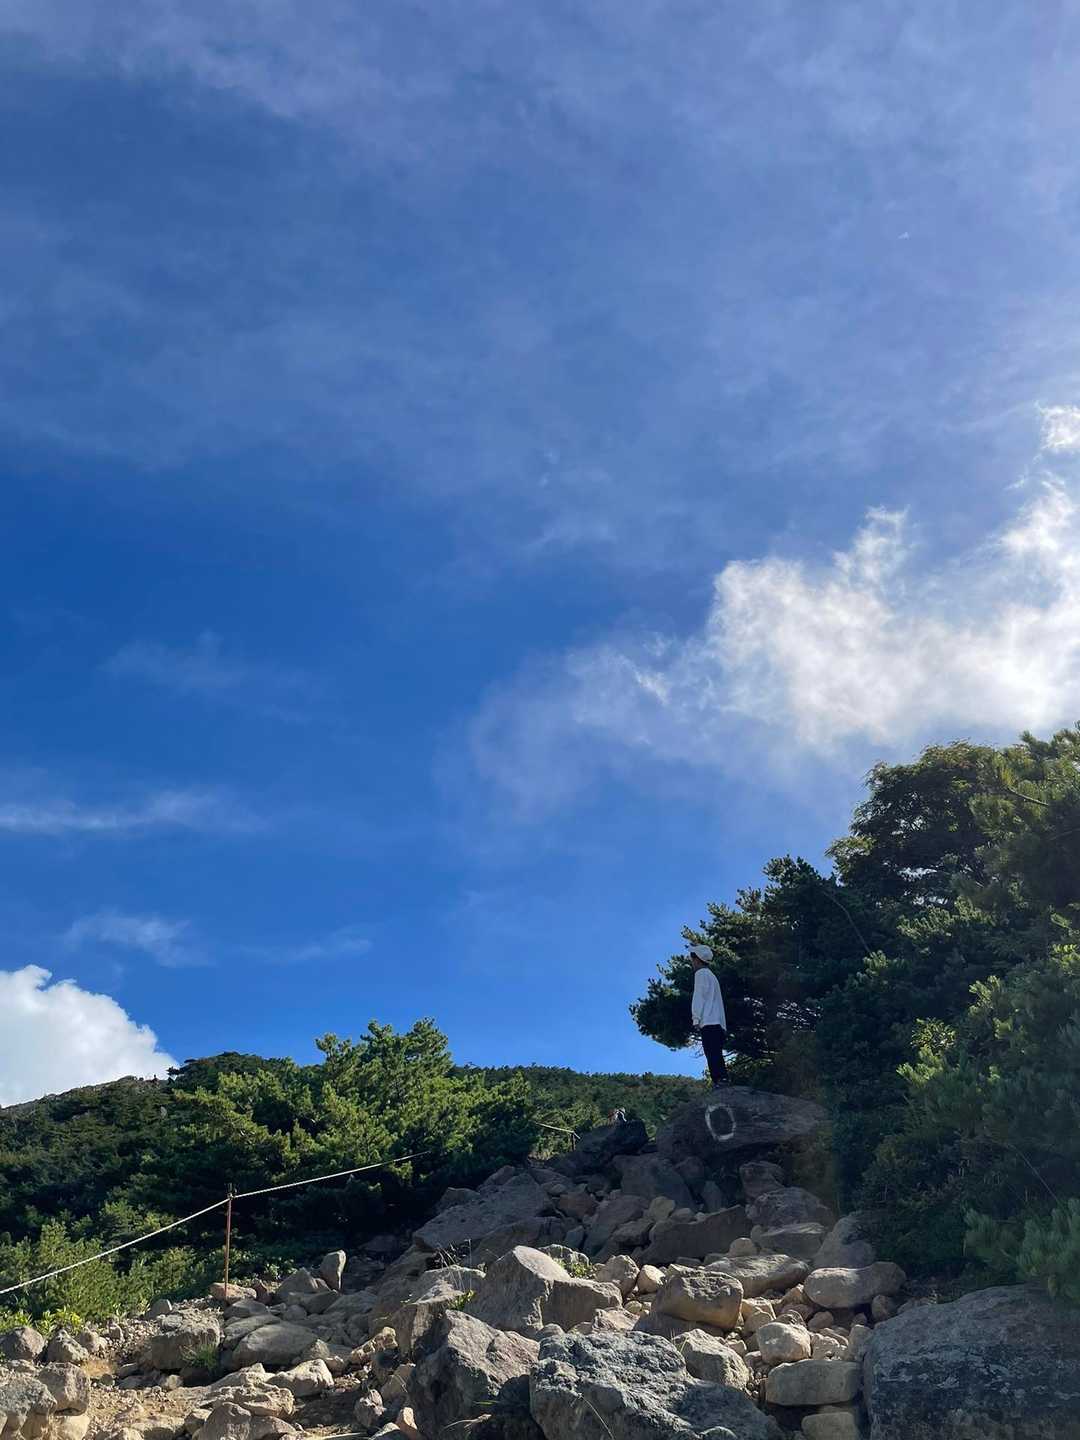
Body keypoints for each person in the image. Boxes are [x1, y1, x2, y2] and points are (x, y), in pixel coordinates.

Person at [689, 943, 729, 1085]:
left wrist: (696, 1018)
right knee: (717, 1053)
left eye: (693, 958)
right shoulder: (712, 976)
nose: (692, 962)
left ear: (698, 959)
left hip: (708, 1020)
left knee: (711, 1053)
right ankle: (723, 1079)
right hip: (718, 1022)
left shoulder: (700, 974)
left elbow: (699, 996)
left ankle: (719, 1081)